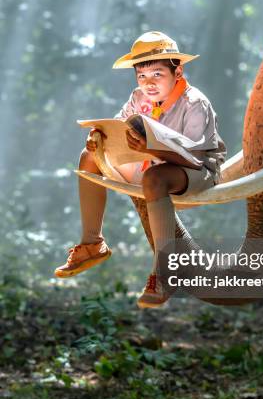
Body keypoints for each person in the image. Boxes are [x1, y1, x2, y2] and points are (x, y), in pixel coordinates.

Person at [54, 31, 226, 308]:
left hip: (196, 169)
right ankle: (92, 244)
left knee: (155, 178)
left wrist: (151, 149)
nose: (149, 84)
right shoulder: (138, 97)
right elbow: (120, 126)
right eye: (141, 76)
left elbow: (194, 157)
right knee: (88, 156)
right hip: (150, 162)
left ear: (177, 71)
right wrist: (100, 138)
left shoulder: (195, 103)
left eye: (157, 74)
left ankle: (166, 271)